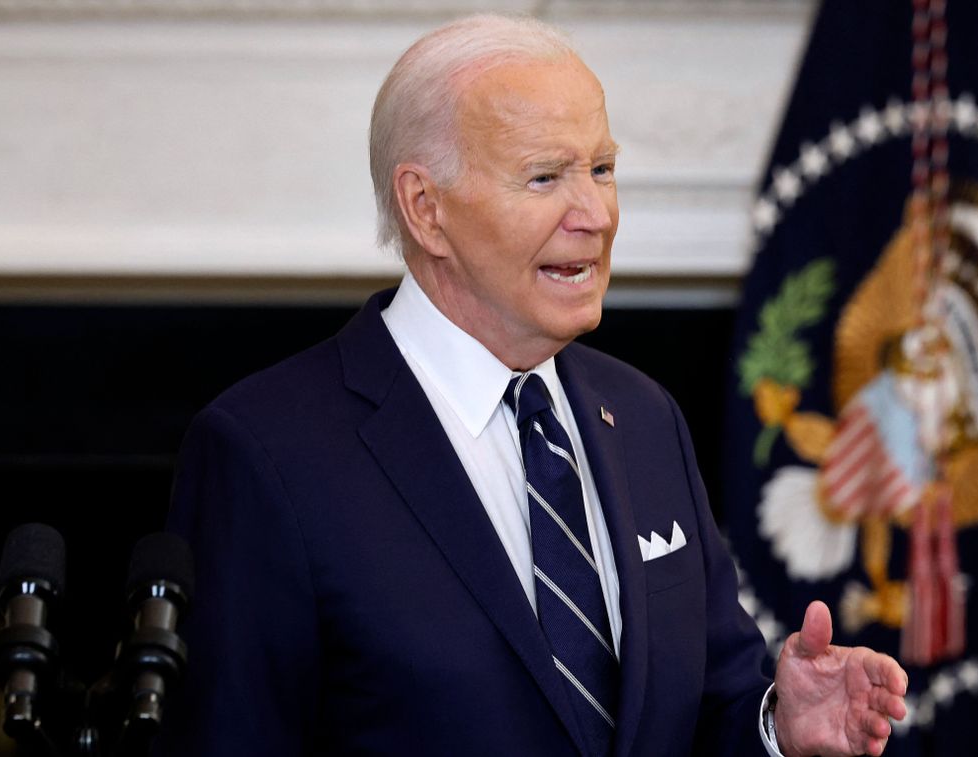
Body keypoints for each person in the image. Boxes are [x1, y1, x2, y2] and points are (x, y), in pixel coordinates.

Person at [156, 14, 907, 757]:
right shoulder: (265, 451)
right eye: (545, 177)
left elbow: (707, 701)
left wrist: (777, 726)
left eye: (602, 169)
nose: (595, 215)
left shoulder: (644, 416)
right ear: (426, 208)